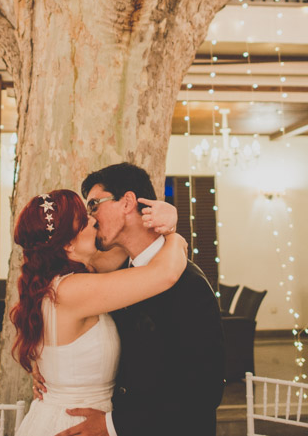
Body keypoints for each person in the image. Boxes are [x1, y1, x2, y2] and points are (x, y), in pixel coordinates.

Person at [47, 162, 226, 436]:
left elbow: (204, 391)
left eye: (94, 205)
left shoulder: (190, 284)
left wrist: (112, 425)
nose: (91, 218)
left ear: (127, 202)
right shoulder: (116, 275)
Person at [11, 189, 187, 436]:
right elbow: (165, 274)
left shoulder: (60, 283)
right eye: (83, 219)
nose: (93, 219)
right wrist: (174, 234)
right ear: (68, 242)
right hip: (74, 424)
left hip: (66, 413)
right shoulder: (71, 291)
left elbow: (127, 247)